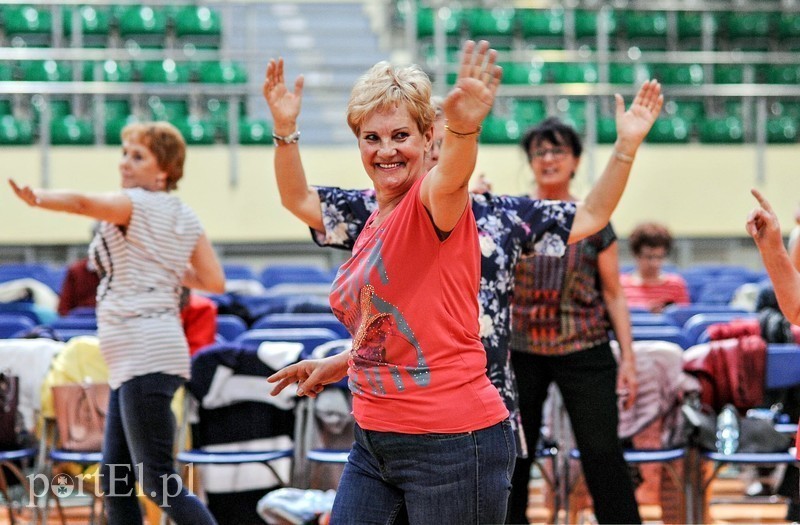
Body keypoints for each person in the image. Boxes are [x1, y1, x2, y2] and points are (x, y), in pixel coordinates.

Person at [263, 50, 663, 472]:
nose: (434, 153)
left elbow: (591, 216)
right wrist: (285, 130)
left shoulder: (499, 213)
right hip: (396, 411)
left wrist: (625, 148)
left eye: (440, 141)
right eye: (429, 142)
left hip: (481, 403)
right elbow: (301, 200)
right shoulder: (378, 208)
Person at [266, 40, 520, 523]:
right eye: (371, 137)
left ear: (428, 137)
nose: (386, 150)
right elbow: (402, 323)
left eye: (400, 135)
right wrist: (343, 362)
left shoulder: (431, 202)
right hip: (374, 439)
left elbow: (453, 175)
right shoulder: (375, 216)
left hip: (452, 444)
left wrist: (464, 128)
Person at [8, 121, 224, 525]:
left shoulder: (135, 203)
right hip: (143, 355)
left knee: (158, 480)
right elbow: (213, 281)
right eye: (124, 153)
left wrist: (37, 198)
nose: (125, 162)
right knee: (114, 478)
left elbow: (81, 204)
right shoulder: (185, 215)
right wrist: (163, 271)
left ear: (164, 171)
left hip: (144, 354)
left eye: (137, 155)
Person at [507, 116, 645, 524]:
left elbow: (615, 294)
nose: (548, 159)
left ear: (576, 160)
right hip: (520, 351)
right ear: (531, 161)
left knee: (603, 452)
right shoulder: (513, 215)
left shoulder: (594, 217)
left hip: (585, 347)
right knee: (515, 453)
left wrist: (630, 360)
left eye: (558, 151)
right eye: (539, 152)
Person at [620, 221, 690, 313]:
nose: (654, 263)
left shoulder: (676, 284)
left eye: (660, 257)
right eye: (649, 257)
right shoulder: (620, 285)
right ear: (635, 254)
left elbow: (682, 317)